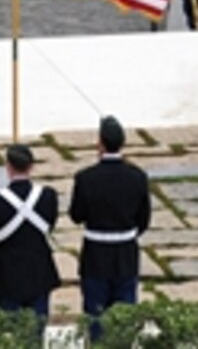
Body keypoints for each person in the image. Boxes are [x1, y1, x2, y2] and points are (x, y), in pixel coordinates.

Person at [70, 116, 151, 342]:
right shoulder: (137, 177)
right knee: (125, 318)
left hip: (96, 254)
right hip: (125, 253)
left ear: (100, 143)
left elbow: (76, 215)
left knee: (95, 317)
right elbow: (144, 219)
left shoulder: (86, 178)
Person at [0, 144, 60, 318]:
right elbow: (50, 225)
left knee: (9, 330)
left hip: (8, 271)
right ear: (31, 166)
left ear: (8, 167)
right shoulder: (48, 196)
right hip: (39, 268)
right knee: (37, 326)